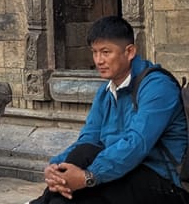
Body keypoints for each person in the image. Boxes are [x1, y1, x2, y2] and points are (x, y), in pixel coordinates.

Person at [26, 15, 188, 204]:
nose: (98, 60)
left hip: (164, 181)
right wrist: (55, 167)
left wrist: (89, 176)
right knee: (83, 155)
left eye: (105, 52)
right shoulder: (105, 92)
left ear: (129, 52)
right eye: (94, 52)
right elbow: (89, 138)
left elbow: (135, 144)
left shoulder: (157, 87)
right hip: (126, 171)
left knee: (86, 193)